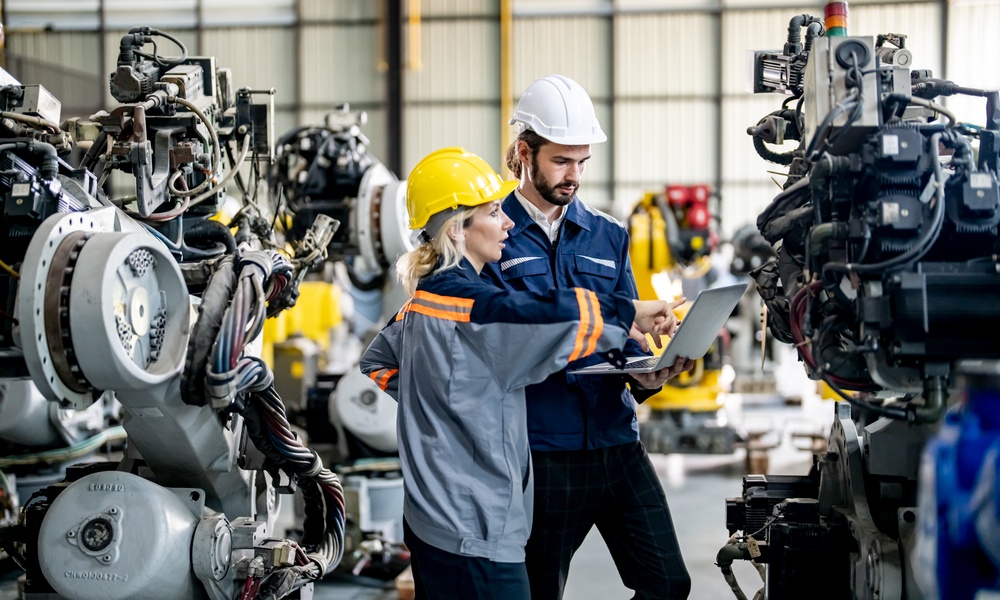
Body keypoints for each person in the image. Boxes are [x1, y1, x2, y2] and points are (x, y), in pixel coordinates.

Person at [358, 147, 681, 600]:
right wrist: (627, 313)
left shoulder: (428, 298)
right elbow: (536, 317)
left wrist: (440, 407)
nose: (506, 220)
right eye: (493, 211)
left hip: (439, 515)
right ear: (457, 230)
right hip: (476, 522)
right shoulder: (475, 307)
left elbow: (377, 361)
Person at [481, 74, 694, 600]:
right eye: (561, 161)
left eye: (582, 161)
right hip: (542, 451)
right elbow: (507, 341)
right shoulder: (491, 235)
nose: (574, 175)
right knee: (537, 592)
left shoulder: (608, 235)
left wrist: (651, 372)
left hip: (617, 441)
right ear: (525, 153)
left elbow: (628, 337)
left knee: (668, 584)